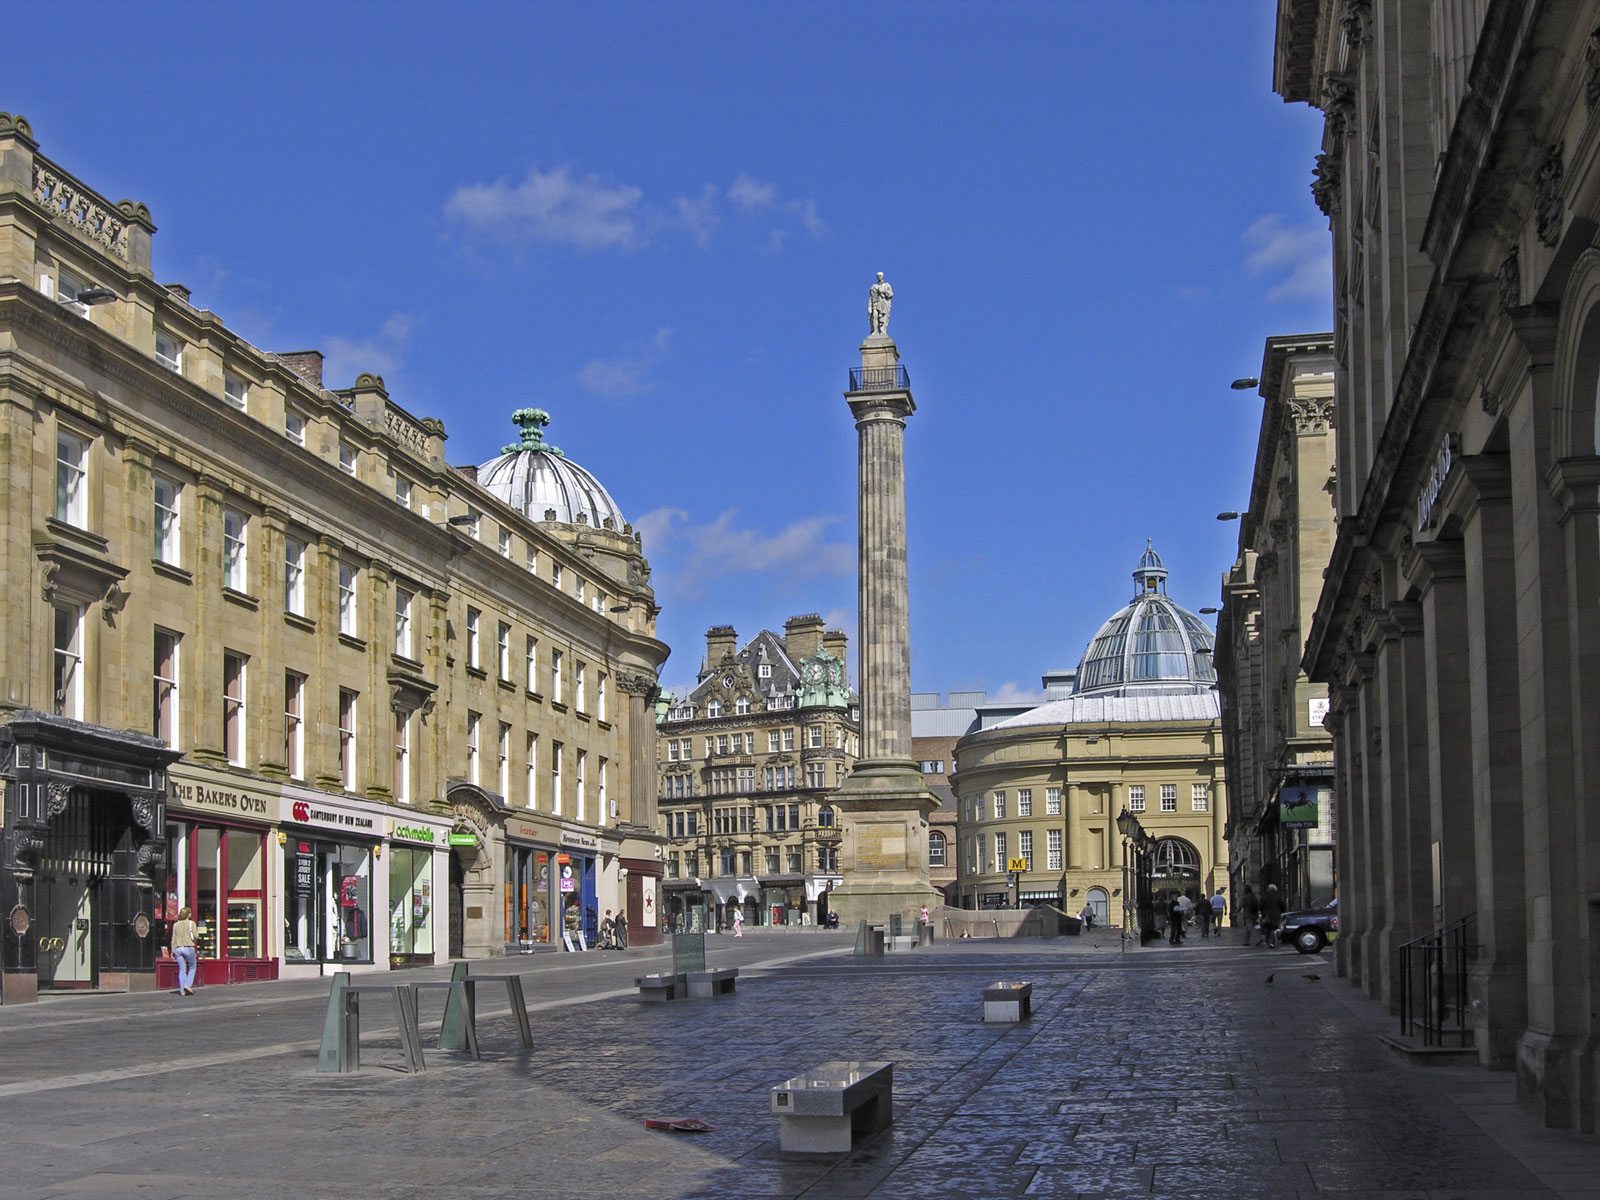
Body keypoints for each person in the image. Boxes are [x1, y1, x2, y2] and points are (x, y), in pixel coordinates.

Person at [169, 906, 198, 996]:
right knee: (192, 966)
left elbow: (173, 939)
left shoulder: (176, 925)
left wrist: (172, 950)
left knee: (182, 969)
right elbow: (196, 936)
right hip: (188, 947)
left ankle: (182, 990)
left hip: (178, 948)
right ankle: (187, 985)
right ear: (188, 914)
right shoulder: (191, 923)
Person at [1259, 884, 1286, 949]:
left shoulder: (1264, 897)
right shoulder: (1278, 897)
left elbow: (1260, 906)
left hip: (1267, 915)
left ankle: (1267, 941)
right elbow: (1282, 906)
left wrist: (1262, 913)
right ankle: (1272, 942)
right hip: (1276, 915)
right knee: (1275, 929)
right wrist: (1283, 912)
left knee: (1268, 929)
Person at [868, 271, 893, 336]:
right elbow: (871, 298)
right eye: (878, 276)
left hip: (883, 304)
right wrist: (869, 306)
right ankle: (875, 331)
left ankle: (882, 331)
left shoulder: (887, 285)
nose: (879, 277)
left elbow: (890, 295)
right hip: (875, 304)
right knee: (874, 316)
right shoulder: (873, 287)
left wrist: (884, 291)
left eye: (880, 276)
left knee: (882, 317)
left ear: (883, 276)